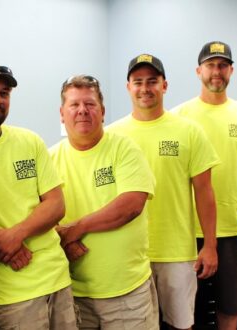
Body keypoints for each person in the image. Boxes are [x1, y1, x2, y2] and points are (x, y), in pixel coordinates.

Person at [0, 62, 78, 329]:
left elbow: (56, 205)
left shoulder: (30, 141)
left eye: (4, 93)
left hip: (57, 279)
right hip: (7, 293)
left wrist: (16, 234)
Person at [107, 53, 219, 330]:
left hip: (176, 253)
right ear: (128, 87)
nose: (145, 88)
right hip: (127, 253)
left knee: (181, 325)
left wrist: (210, 245)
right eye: (138, 82)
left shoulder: (189, 131)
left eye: (152, 81)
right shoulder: (111, 135)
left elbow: (205, 192)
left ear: (164, 85)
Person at [50, 75, 159, 329]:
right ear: (61, 113)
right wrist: (61, 238)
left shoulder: (124, 148)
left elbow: (131, 205)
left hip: (127, 293)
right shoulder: (50, 158)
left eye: (90, 104)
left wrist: (75, 230)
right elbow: (39, 215)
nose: (82, 111)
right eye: (74, 105)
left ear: (102, 112)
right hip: (73, 292)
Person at [174, 41, 237, 330]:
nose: (217, 71)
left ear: (231, 71)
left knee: (231, 306)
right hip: (188, 232)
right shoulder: (180, 118)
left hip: (235, 230)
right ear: (198, 70)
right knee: (187, 311)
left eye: (223, 65)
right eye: (211, 65)